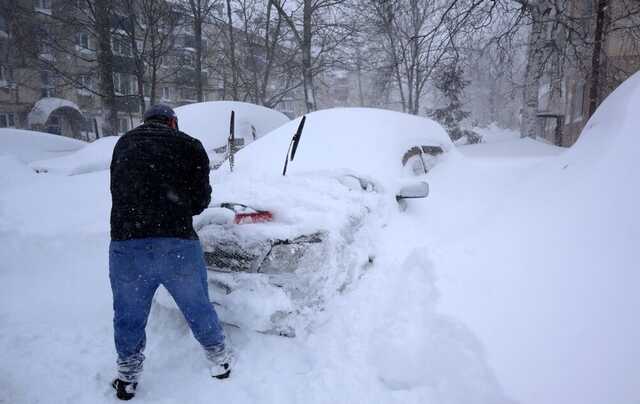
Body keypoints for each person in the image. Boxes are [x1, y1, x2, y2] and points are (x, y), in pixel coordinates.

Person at [109, 104, 232, 401]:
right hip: (177, 242)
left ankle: (127, 378)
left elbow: (116, 190)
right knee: (197, 305)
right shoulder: (189, 145)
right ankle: (219, 361)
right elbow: (201, 199)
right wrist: (177, 210)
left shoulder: (124, 143)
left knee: (128, 314)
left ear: (145, 122)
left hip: (128, 244)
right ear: (173, 122)